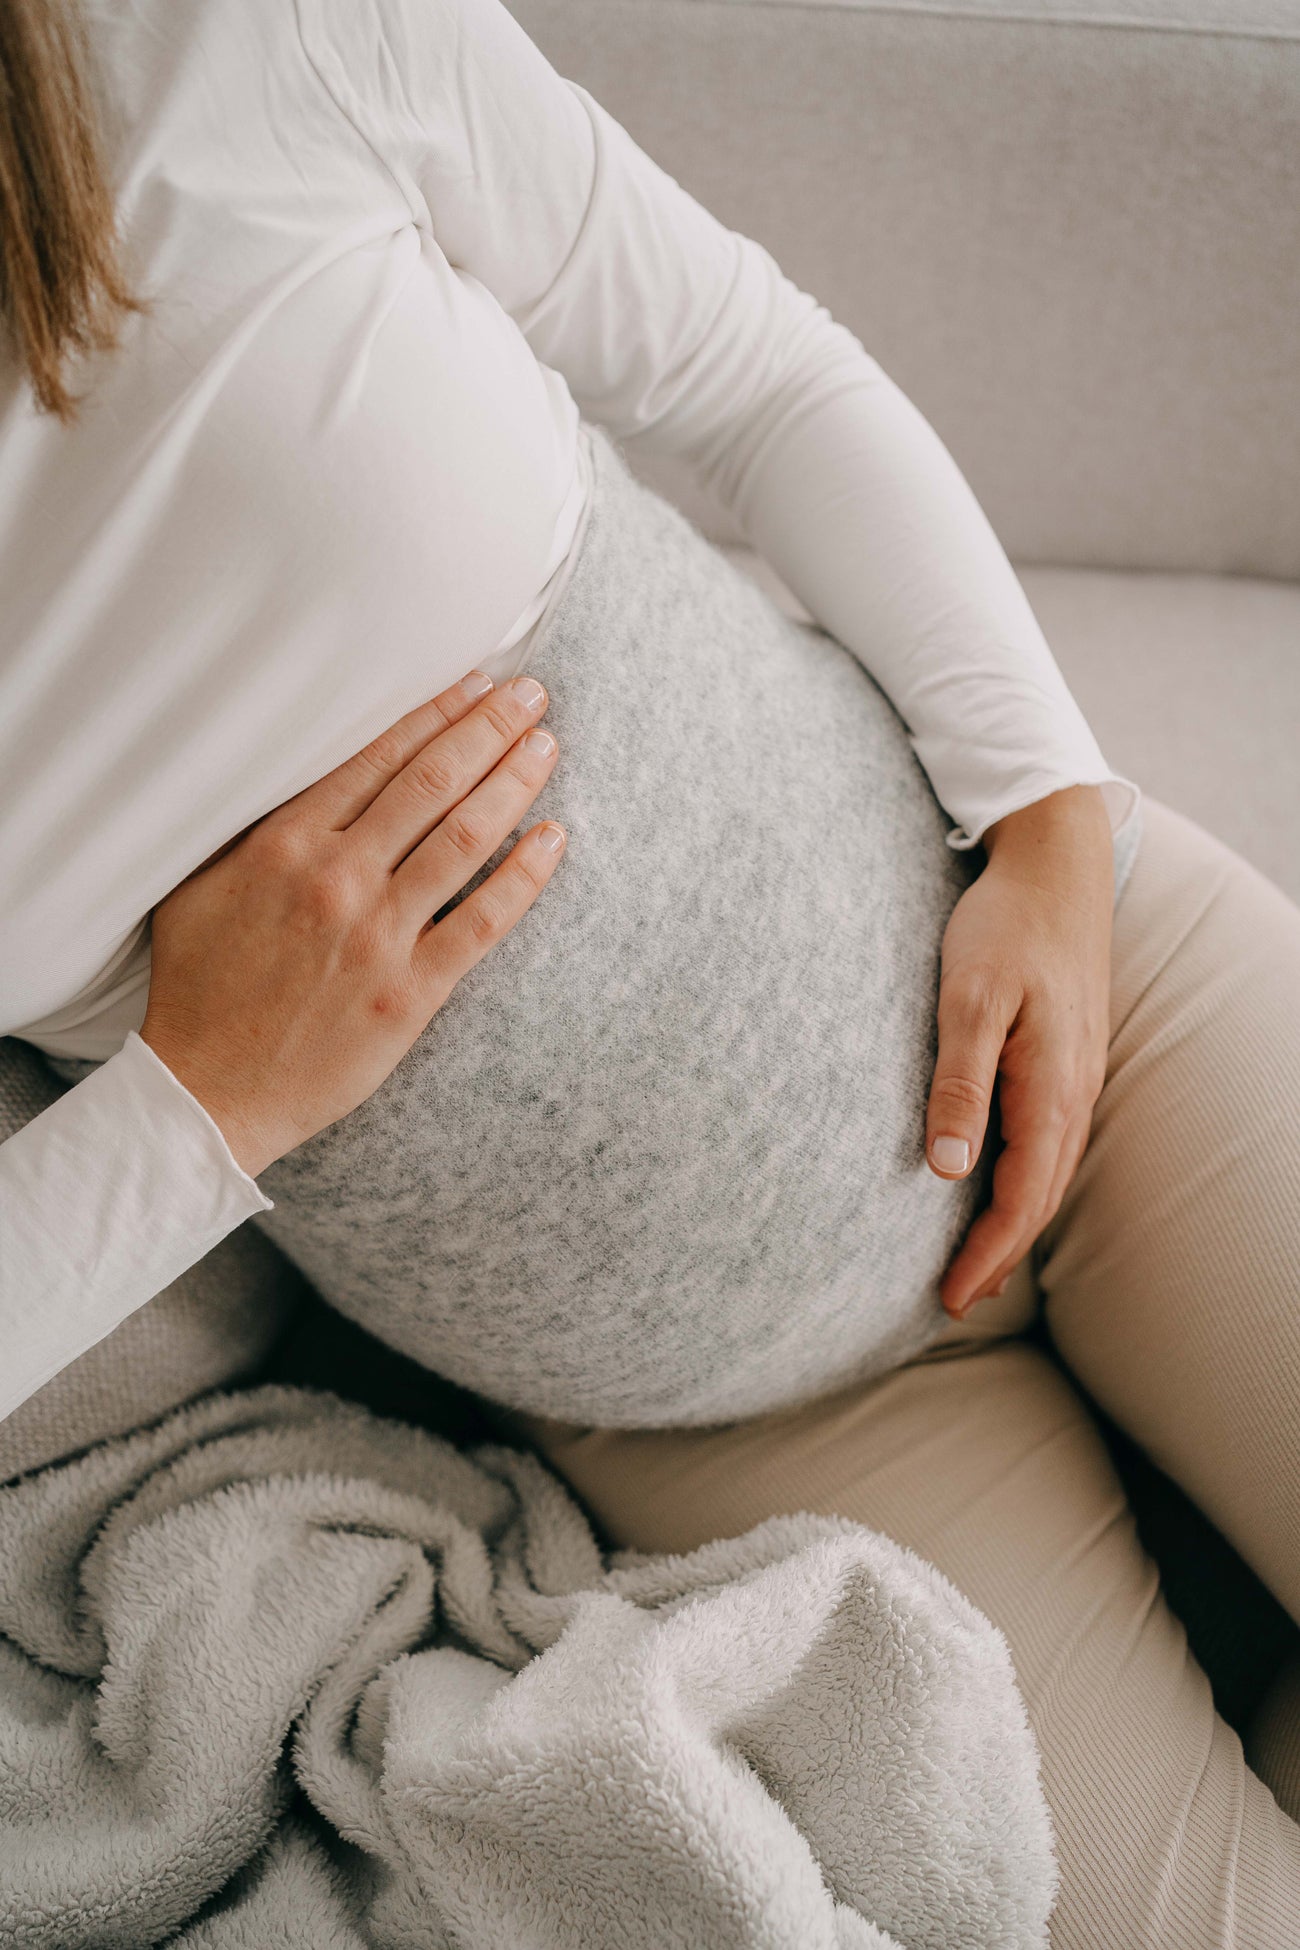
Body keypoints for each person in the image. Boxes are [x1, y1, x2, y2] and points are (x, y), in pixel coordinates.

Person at [0, 0, 1296, 1940]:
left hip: (1098, 1025)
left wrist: (1035, 809)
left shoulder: (221, 34)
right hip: (738, 1420)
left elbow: (756, 372)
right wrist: (206, 1099)